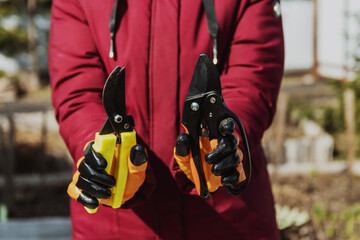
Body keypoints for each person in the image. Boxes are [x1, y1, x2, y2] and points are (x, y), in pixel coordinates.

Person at [48, 0, 284, 239]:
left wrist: (222, 136)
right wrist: (101, 152)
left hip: (229, 220)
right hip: (115, 225)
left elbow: (252, 78)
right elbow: (77, 90)